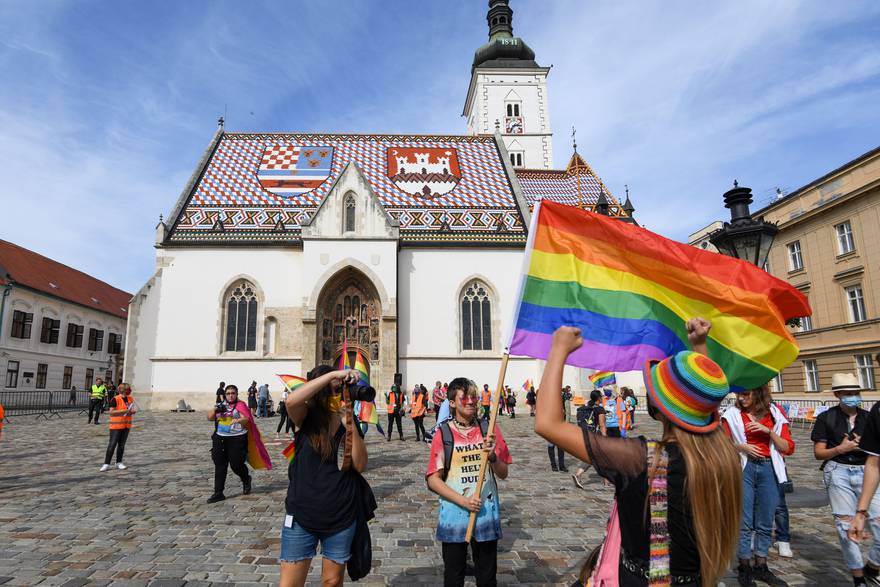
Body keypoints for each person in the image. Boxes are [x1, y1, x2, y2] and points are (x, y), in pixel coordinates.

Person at [535, 319, 741, 587]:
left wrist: (558, 350)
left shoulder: (641, 458)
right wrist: (700, 347)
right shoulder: (723, 457)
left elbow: (547, 423)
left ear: (659, 407)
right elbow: (702, 405)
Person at [280, 365, 367, 587]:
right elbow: (291, 401)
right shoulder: (305, 416)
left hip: (341, 513)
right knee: (290, 584)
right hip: (302, 513)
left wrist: (351, 426)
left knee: (332, 581)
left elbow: (360, 464)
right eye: (332, 389)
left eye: (339, 389)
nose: (335, 394)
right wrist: (333, 375)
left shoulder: (346, 418)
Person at [426, 377, 512, 587]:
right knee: (454, 577)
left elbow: (503, 473)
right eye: (465, 398)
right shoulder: (444, 433)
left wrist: (492, 457)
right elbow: (433, 480)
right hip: (454, 517)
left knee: (487, 578)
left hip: (485, 516)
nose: (472, 401)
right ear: (452, 403)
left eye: (473, 397)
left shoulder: (489, 430)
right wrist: (463, 501)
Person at [722, 384, 794, 586]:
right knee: (745, 521)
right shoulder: (732, 414)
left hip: (769, 467)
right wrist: (741, 446)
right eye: (739, 394)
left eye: (746, 394)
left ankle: (761, 564)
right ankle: (744, 565)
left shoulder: (775, 414)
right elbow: (721, 443)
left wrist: (769, 431)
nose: (741, 398)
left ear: (758, 393)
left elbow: (788, 447)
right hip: (745, 468)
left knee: (765, 519)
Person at [818, 372, 880, 586]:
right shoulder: (827, 418)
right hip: (839, 471)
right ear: (838, 395)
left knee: (879, 523)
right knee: (846, 527)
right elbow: (819, 453)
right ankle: (858, 578)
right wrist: (840, 448)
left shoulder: (870, 415)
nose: (853, 396)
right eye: (847, 393)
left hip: (866, 471)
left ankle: (872, 566)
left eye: (856, 393)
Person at [206, 384, 267, 503]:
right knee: (220, 465)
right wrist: (214, 410)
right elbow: (209, 418)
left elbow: (247, 418)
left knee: (236, 464)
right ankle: (218, 492)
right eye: (228, 393)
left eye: (232, 393)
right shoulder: (220, 405)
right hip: (220, 439)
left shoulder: (241, 405)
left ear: (236, 394)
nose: (230, 396)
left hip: (237, 439)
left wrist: (238, 420)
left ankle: (246, 479)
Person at [572, 390, 606, 490]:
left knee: (592, 458)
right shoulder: (599, 409)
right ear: (599, 398)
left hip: (584, 435)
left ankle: (578, 475)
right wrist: (604, 438)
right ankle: (607, 480)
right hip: (595, 437)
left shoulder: (584, 408)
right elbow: (602, 425)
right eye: (601, 396)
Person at [100, 383, 135, 471]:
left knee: (121, 445)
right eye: (128, 389)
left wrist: (131, 411)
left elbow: (129, 409)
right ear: (123, 389)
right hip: (116, 426)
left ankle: (119, 462)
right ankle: (106, 463)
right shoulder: (115, 399)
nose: (129, 390)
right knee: (112, 444)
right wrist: (125, 410)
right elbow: (111, 412)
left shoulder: (130, 398)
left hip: (126, 425)